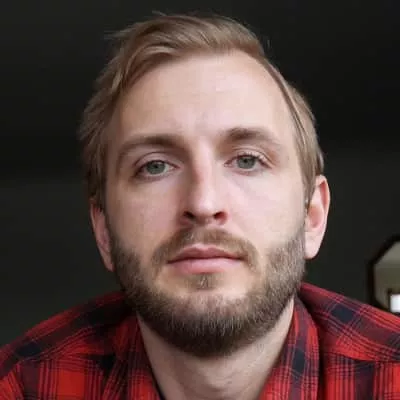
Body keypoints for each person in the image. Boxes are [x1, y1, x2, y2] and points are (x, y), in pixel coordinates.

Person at [1, 13, 399, 400]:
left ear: (312, 216)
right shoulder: (22, 386)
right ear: (104, 230)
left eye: (247, 160)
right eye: (155, 166)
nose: (204, 204)